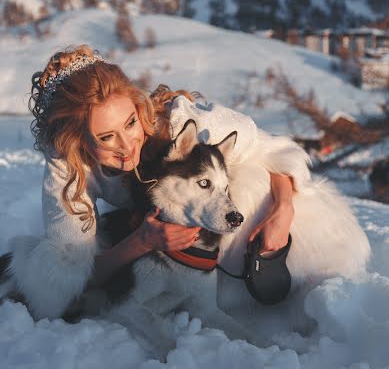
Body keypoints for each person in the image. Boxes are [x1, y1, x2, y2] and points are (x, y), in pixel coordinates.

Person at [6, 45, 303, 321]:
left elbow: (273, 151)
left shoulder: (182, 125)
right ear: (78, 140)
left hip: (250, 210)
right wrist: (140, 242)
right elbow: (76, 274)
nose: (126, 146)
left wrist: (283, 209)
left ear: (138, 108)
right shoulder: (70, 171)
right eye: (106, 137)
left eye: (130, 123)